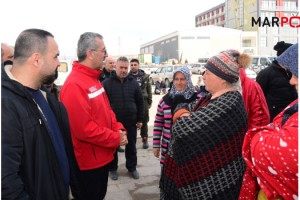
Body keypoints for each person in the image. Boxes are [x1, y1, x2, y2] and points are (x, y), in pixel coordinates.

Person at [2, 28, 83, 199]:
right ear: (37, 59)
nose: (58, 63)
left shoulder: (44, 94)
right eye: (55, 56)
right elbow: (6, 183)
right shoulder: (6, 104)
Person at [160, 50, 249, 199]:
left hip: (215, 184)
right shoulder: (211, 98)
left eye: (208, 73)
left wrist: (184, 115)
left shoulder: (229, 102)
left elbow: (182, 129)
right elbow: (181, 107)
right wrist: (185, 114)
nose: (203, 76)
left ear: (222, 78)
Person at [60, 32, 128, 200]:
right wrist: (115, 138)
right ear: (90, 53)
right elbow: (84, 130)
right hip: (88, 164)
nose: (106, 54)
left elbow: (107, 110)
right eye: (103, 50)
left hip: (101, 157)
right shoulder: (74, 85)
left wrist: (118, 128)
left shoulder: (93, 78)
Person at [239, 43, 298, 200]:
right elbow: (259, 102)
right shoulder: (266, 74)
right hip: (276, 121)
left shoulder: (286, 75)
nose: (292, 81)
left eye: (296, 74)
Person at [103, 56, 144, 180]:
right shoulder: (106, 84)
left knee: (131, 146)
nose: (123, 70)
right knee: (113, 147)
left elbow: (140, 102)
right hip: (113, 124)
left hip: (131, 121)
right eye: (121, 67)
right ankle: (112, 169)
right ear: (115, 67)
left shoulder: (134, 83)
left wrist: (140, 119)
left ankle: (132, 168)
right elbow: (103, 106)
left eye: (126, 68)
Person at [153, 66, 200, 168]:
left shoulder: (198, 99)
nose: (179, 82)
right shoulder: (165, 101)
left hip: (191, 147)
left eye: (183, 79)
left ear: (188, 80)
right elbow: (158, 124)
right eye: (176, 79)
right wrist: (156, 145)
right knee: (168, 175)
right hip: (168, 146)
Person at [256, 41, 297, 121]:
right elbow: (258, 99)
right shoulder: (266, 74)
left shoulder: (292, 72)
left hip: (291, 116)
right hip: (274, 118)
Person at [99, 56, 125, 153]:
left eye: (114, 63)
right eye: (110, 63)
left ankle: (117, 145)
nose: (112, 65)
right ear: (104, 64)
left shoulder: (115, 75)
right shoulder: (100, 76)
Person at [129, 58, 152, 149]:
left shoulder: (145, 76)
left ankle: (145, 139)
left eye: (135, 65)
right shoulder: (127, 77)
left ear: (138, 66)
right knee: (132, 121)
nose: (133, 66)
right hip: (132, 102)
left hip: (144, 101)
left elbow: (149, 90)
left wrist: (150, 101)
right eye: (132, 65)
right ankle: (132, 140)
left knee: (144, 121)